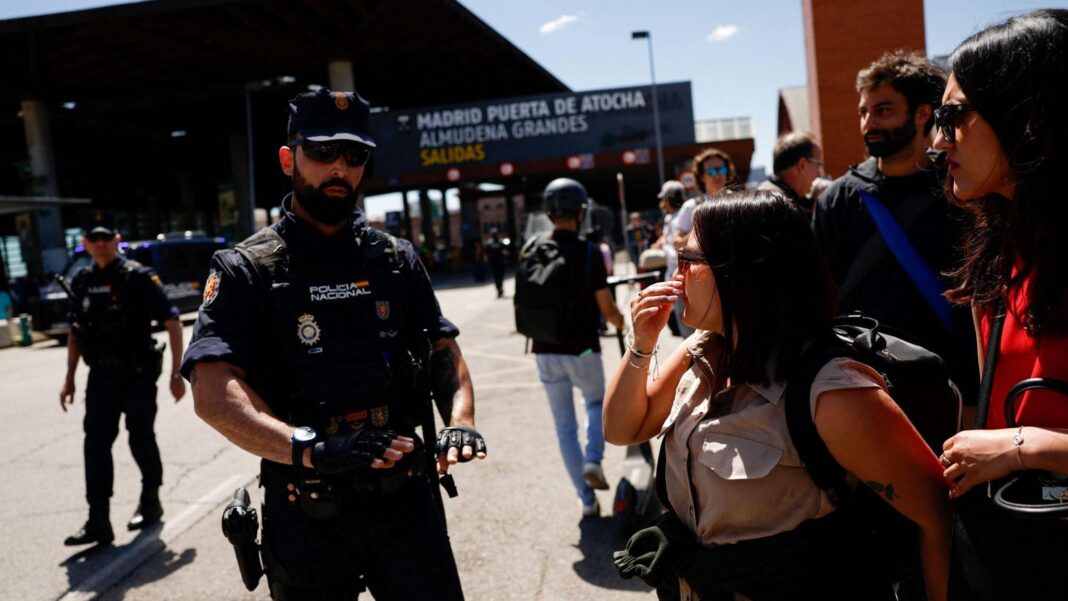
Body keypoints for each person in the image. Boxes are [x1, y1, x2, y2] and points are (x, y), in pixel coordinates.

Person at [181, 89, 485, 600]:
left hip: (406, 504)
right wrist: (312, 450)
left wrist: (462, 421)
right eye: (323, 152)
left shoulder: (395, 259)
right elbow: (213, 393)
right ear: (288, 159)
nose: (339, 167)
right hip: (306, 510)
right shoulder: (244, 269)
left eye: (355, 155)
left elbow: (442, 349)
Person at [604, 191, 951, 600]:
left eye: (689, 260)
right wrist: (641, 345)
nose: (676, 276)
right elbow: (622, 429)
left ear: (741, 271)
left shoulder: (832, 392)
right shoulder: (705, 349)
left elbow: (936, 514)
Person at [930, 10, 1068, 599]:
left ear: (1029, 117)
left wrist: (1022, 448)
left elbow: (1010, 440)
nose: (938, 141)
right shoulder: (1002, 255)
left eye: (954, 117)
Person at [813, 50, 979, 412]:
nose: (868, 123)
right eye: (863, 112)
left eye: (883, 110)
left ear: (923, 113)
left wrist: (974, 394)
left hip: (951, 383)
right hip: (864, 385)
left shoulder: (962, 187)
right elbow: (817, 297)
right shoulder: (838, 200)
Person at [59, 210, 187, 546]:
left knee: (140, 438)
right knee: (95, 445)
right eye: (94, 238)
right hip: (100, 377)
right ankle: (98, 520)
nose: (101, 244)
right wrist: (69, 378)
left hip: (138, 375)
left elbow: (173, 322)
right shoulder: (81, 281)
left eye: (106, 238)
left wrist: (177, 373)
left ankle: (151, 501)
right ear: (85, 243)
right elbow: (74, 332)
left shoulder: (138, 276)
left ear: (116, 240)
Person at [525, 178, 625, 518]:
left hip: (543, 350)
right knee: (595, 402)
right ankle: (593, 459)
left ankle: (586, 499)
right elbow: (606, 307)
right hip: (582, 349)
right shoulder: (588, 252)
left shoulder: (533, 249)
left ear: (548, 213)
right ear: (581, 213)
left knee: (564, 427)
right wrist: (622, 324)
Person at [757, 131, 825, 213]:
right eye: (818, 165)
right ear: (802, 165)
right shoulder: (776, 206)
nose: (820, 174)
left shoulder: (768, 198)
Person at [484, 227, 507, 298]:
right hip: (495, 263)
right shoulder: (490, 243)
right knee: (498, 277)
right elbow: (486, 254)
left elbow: (505, 252)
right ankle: (499, 289)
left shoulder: (500, 242)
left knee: (498, 277)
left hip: (499, 263)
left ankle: (500, 289)